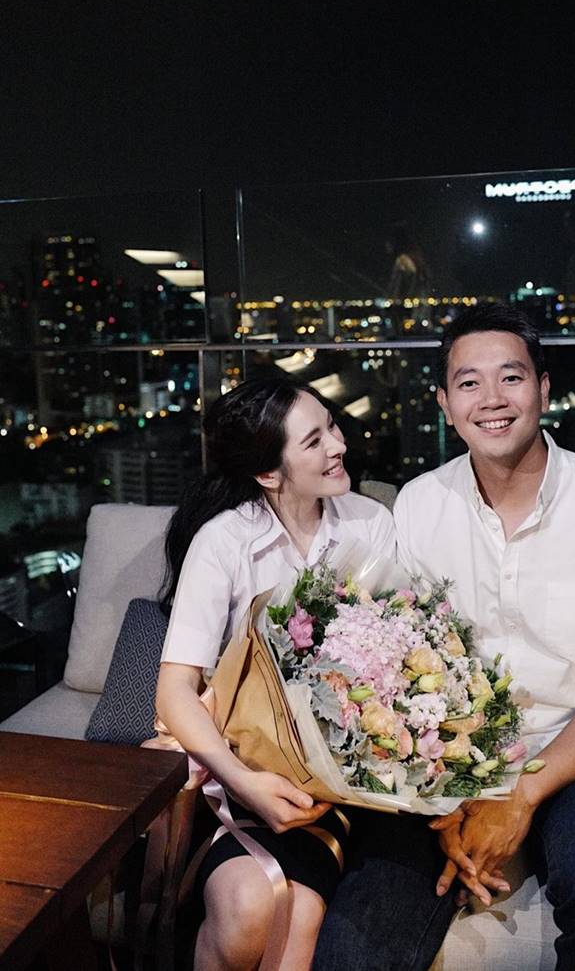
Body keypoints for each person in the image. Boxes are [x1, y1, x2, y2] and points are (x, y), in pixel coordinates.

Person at [392, 304, 575, 971]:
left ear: (543, 389)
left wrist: (517, 795)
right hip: (450, 763)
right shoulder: (418, 506)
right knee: (367, 921)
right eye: (469, 383)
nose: (492, 399)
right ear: (445, 404)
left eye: (511, 377)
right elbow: (402, 667)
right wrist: (452, 801)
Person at [155, 377, 395, 971]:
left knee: (298, 916)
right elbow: (174, 690)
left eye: (332, 426)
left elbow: (396, 651)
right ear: (268, 472)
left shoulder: (370, 523)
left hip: (340, 781)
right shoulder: (224, 541)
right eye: (314, 441)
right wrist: (242, 781)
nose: (338, 445)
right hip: (238, 767)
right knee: (247, 909)